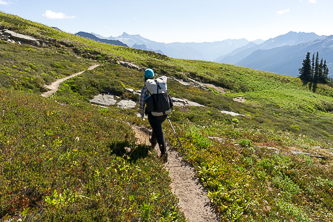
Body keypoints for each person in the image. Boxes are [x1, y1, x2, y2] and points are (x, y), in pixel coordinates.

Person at [139, 68, 168, 162]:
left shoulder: (145, 88)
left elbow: (142, 103)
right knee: (157, 127)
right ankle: (153, 141)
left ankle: (164, 155)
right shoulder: (161, 85)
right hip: (164, 113)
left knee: (159, 131)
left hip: (154, 115)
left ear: (144, 78)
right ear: (153, 76)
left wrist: (142, 115)